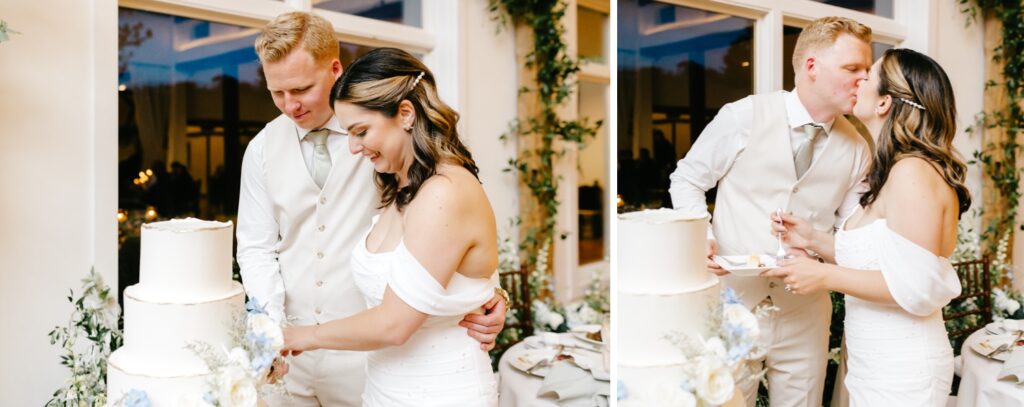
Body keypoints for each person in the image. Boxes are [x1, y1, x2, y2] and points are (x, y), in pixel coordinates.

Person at [236, 12, 506, 406]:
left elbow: (457, 223)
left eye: (302, 88)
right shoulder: (261, 148)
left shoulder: (389, 141)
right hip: (291, 357)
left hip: (368, 353)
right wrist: (270, 329)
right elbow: (256, 247)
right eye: (276, 92)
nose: (289, 105)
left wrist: (488, 291)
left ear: (334, 69)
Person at [667, 16, 873, 406]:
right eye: (853, 69)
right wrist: (702, 237)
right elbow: (688, 180)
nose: (864, 79)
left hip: (805, 312)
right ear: (812, 66)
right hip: (731, 307)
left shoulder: (858, 147)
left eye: (867, 69)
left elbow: (850, 235)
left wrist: (818, 248)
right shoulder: (743, 115)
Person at [764, 48, 968, 406]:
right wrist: (813, 239)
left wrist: (823, 276)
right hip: (876, 361)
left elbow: (915, 287)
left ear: (885, 103)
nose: (859, 80)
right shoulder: (899, 167)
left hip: (901, 368)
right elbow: (886, 261)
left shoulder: (912, 172)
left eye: (869, 77)